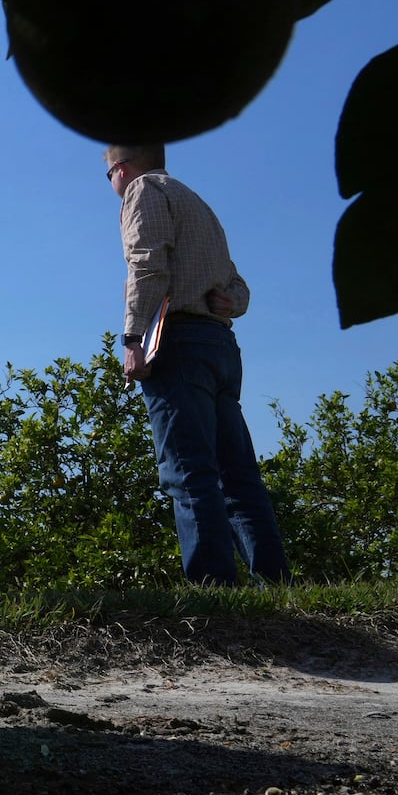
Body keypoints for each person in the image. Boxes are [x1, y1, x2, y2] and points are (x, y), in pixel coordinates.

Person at [104, 144, 290, 586]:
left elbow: (147, 264)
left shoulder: (143, 190)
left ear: (122, 168)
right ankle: (276, 586)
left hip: (177, 340)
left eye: (108, 175)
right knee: (237, 473)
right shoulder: (197, 201)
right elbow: (237, 285)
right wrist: (234, 304)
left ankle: (214, 591)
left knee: (188, 471)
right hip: (220, 345)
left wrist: (132, 338)